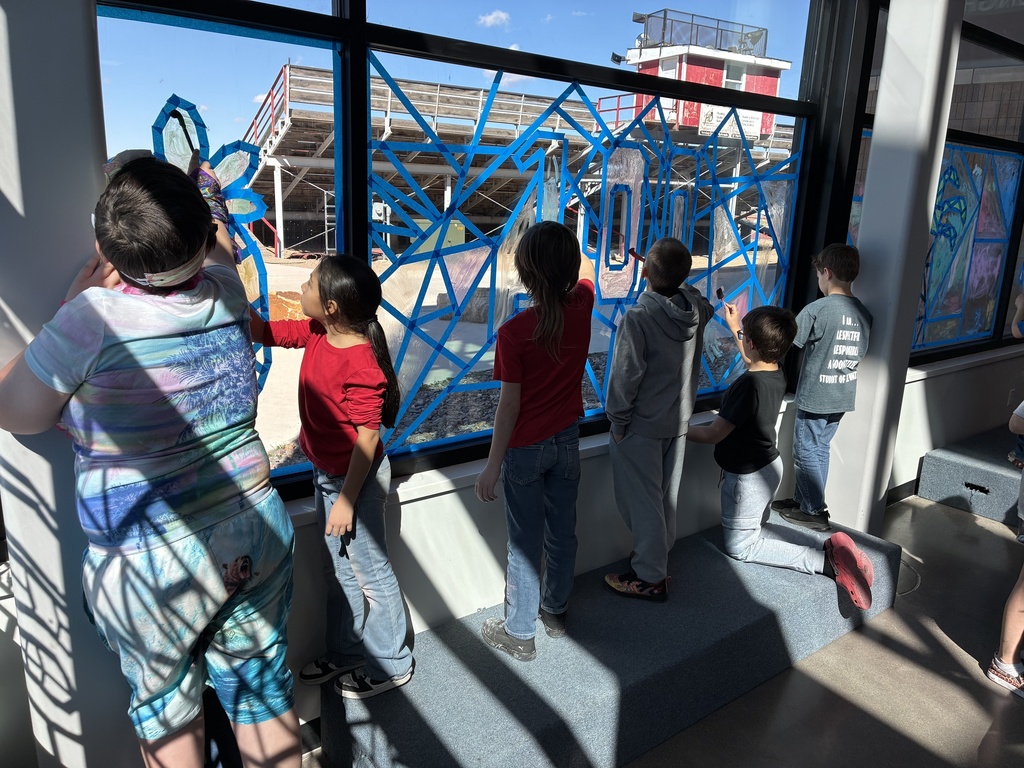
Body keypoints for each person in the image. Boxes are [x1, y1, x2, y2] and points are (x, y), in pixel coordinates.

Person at [0, 155, 301, 767]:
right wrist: (201, 193)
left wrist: (69, 308)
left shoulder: (92, 318)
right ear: (198, 233)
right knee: (263, 695)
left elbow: (17, 410)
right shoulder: (226, 290)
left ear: (106, 247)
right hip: (254, 525)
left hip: (152, 560)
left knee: (169, 715)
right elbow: (216, 244)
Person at [253, 255, 413, 698]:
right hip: (328, 475)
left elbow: (366, 440)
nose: (301, 288)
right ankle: (347, 652)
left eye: (308, 283)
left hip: (355, 484)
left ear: (332, 306)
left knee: (371, 575)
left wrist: (345, 499)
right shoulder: (319, 332)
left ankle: (392, 664)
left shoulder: (362, 365)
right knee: (338, 571)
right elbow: (268, 332)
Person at [687, 304, 874, 609]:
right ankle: (830, 547)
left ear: (752, 342)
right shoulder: (776, 371)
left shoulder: (746, 386)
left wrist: (675, 429)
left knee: (741, 547)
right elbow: (753, 357)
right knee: (758, 528)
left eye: (744, 335)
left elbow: (713, 434)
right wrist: (737, 326)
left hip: (748, 478)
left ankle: (826, 563)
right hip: (769, 466)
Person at [474, 220, 596, 661]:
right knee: (562, 532)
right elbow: (585, 280)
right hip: (567, 441)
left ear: (524, 273)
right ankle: (556, 612)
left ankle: (519, 633)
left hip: (525, 450)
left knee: (524, 543)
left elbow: (508, 408)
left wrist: (491, 466)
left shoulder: (513, 333)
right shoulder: (582, 305)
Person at [602, 237, 713, 601]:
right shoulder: (696, 308)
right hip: (677, 425)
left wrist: (618, 424)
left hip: (641, 427)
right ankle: (658, 559)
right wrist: (677, 278)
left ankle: (650, 576)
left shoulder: (639, 317)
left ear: (645, 272)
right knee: (665, 498)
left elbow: (625, 376)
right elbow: (699, 296)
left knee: (643, 502)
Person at [771, 244, 872, 531]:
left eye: (818, 274)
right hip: (842, 394)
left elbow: (788, 343)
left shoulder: (817, 309)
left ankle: (814, 510)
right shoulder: (864, 313)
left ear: (826, 273)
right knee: (820, 450)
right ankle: (804, 502)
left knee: (804, 452)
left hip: (816, 396)